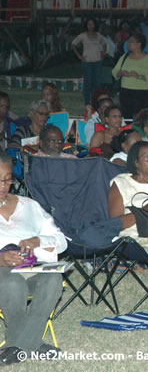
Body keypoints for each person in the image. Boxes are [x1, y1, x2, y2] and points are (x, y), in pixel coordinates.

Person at [0, 150, 67, 366]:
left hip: (31, 267)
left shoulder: (28, 206)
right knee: (11, 283)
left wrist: (37, 241)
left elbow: (61, 240)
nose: (3, 186)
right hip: (3, 272)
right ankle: (34, 345)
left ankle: (18, 346)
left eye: (8, 180)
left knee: (53, 279)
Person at [112, 33, 148, 120]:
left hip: (143, 93)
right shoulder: (125, 56)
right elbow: (114, 71)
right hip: (126, 92)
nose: (128, 44)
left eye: (131, 42)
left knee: (142, 118)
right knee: (126, 117)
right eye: (128, 42)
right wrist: (120, 73)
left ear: (139, 44)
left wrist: (138, 76)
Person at [72, 18, 106, 107]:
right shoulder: (82, 36)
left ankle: (97, 102)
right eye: (89, 24)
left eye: (92, 24)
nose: (91, 26)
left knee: (97, 83)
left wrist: (103, 53)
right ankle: (87, 103)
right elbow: (73, 44)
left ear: (95, 25)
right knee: (88, 83)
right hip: (87, 62)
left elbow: (104, 43)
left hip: (98, 62)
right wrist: (79, 56)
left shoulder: (98, 35)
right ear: (86, 26)